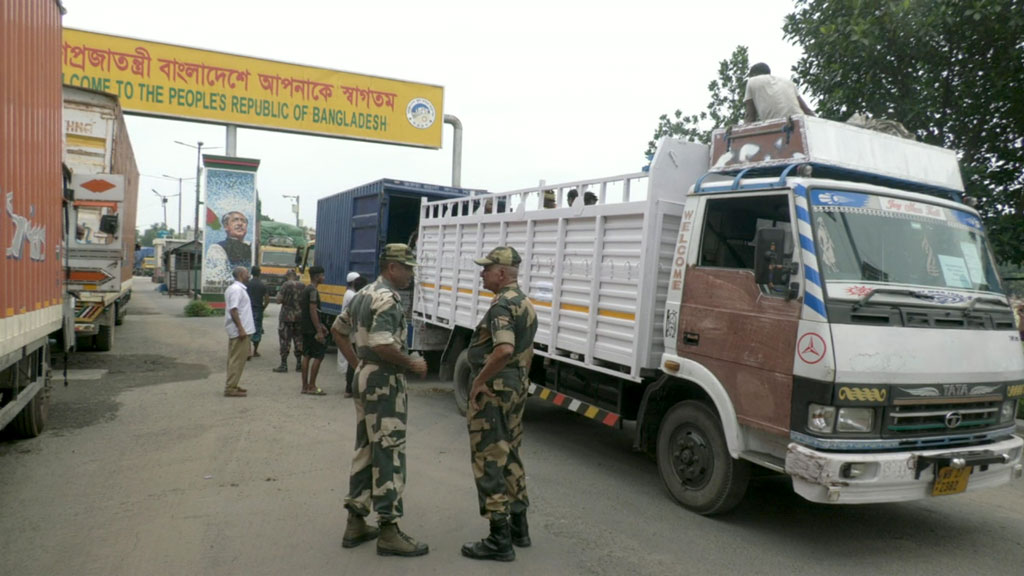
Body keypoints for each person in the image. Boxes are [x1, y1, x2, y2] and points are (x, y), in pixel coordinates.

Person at [332, 244, 429, 557]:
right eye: (408, 268)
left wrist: (359, 364)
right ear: (392, 268)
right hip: (384, 381)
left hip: (366, 377)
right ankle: (389, 529)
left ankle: (355, 521)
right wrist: (411, 363)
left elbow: (338, 329)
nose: (412, 274)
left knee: (367, 447)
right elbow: (382, 343)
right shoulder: (387, 298)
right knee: (389, 450)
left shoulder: (363, 294)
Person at [461, 246, 538, 562]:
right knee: (510, 455)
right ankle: (519, 527)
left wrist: (479, 381)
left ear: (502, 273)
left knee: (490, 457)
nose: (482, 273)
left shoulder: (502, 306)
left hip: (494, 393)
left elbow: (504, 349)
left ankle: (498, 539)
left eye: (487, 268)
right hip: (515, 390)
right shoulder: (525, 303)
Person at [743, 62, 815, 124]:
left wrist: (742, 136)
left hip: (777, 127)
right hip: (799, 121)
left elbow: (750, 116)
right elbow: (807, 110)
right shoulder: (787, 81)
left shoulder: (752, 81)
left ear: (753, 74)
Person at [224, 266, 255, 398]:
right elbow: (234, 310)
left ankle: (233, 384)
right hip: (240, 331)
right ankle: (231, 387)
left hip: (240, 330)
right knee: (237, 360)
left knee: (237, 359)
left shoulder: (237, 289)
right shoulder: (237, 290)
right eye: (247, 273)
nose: (249, 275)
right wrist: (241, 328)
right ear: (241, 274)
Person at [337, 272, 368, 398]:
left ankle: (350, 388)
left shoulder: (349, 294)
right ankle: (351, 388)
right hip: (356, 332)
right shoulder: (356, 297)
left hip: (353, 331)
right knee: (355, 360)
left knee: (353, 361)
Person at [204, 211, 253, 286]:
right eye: (235, 220)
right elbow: (218, 277)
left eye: (243, 221)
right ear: (226, 226)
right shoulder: (217, 249)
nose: (240, 223)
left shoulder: (251, 247)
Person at [300, 265, 328, 395]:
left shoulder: (306, 289)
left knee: (306, 355)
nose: (324, 277)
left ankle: (305, 386)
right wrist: (319, 330)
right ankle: (312, 386)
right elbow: (313, 310)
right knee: (319, 356)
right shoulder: (313, 291)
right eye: (322, 275)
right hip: (312, 329)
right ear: (317, 277)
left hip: (305, 327)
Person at [273, 269, 304, 373]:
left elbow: (278, 300)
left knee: (285, 339)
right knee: (299, 339)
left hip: (286, 317)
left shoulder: (285, 285)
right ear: (295, 276)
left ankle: (284, 364)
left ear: (287, 276)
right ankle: (299, 364)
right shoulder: (302, 285)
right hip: (299, 317)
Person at [246, 265, 269, 359]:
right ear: (259, 273)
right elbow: (267, 299)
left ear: (251, 273)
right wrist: (263, 307)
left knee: (247, 329)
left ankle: (248, 351)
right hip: (258, 309)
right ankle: (255, 351)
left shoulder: (247, 284)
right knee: (257, 330)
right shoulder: (263, 285)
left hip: (247, 310)